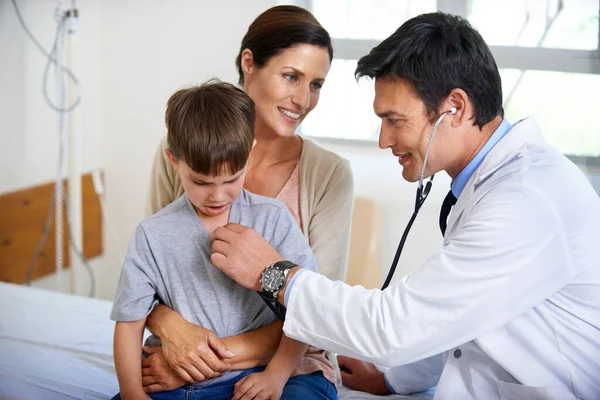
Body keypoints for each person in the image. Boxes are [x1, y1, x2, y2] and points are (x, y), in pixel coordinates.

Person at [209, 12, 600, 400]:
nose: (383, 139)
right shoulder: (494, 185)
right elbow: (455, 314)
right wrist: (395, 381)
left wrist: (271, 273)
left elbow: (394, 327)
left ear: (456, 108)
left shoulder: (525, 200)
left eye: (394, 120)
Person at [140, 5, 352, 394]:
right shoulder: (179, 154)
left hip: (292, 369)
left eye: (316, 84)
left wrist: (200, 362)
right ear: (249, 63)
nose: (304, 100)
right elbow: (145, 273)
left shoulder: (330, 175)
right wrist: (172, 332)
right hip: (178, 358)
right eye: (291, 76)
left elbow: (319, 308)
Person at [110, 81, 337, 400]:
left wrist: (276, 376)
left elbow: (304, 308)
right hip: (182, 383)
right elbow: (129, 323)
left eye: (231, 179)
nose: (218, 196)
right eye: (201, 182)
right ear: (174, 161)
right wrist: (133, 393)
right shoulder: (151, 234)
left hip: (265, 371)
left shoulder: (272, 219)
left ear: (250, 152)